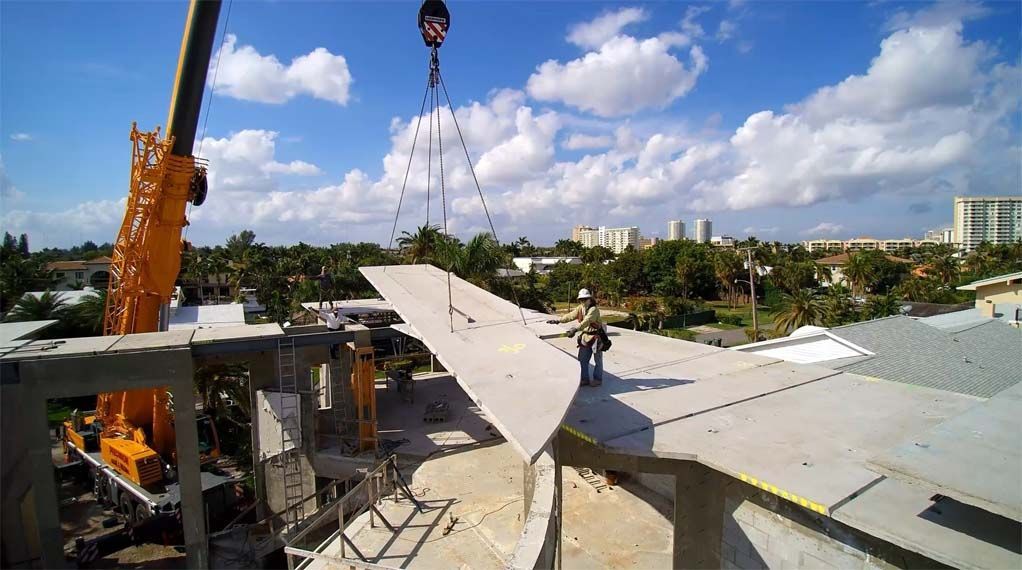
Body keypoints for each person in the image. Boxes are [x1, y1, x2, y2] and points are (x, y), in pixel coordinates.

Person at [547, 288, 604, 387]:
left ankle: (597, 379)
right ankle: (584, 379)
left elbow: (586, 321)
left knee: (597, 360)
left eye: (585, 299)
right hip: (585, 336)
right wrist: (559, 320)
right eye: (581, 299)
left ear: (589, 299)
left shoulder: (593, 309)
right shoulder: (580, 308)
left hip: (596, 336)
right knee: (582, 359)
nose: (583, 301)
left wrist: (575, 329)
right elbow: (570, 316)